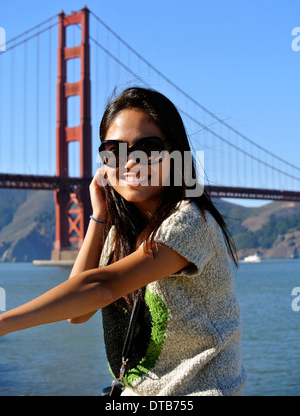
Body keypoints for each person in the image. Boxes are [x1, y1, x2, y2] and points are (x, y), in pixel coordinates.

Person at [0, 87, 247, 396]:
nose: (131, 162)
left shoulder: (191, 222)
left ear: (176, 155)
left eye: (149, 147)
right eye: (114, 151)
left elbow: (102, 287)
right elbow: (78, 312)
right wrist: (99, 216)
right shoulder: (120, 232)